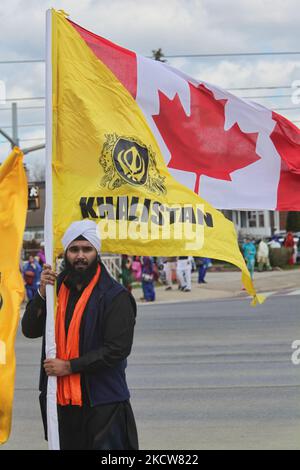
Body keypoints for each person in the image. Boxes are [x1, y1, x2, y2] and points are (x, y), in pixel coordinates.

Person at [21, 220, 138, 450]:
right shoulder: (56, 288)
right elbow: (30, 330)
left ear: (97, 252)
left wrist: (69, 366)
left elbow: (117, 350)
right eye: (74, 250)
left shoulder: (115, 296)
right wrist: (42, 295)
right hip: (61, 403)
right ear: (66, 253)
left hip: (103, 404)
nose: (80, 256)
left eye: (87, 249)